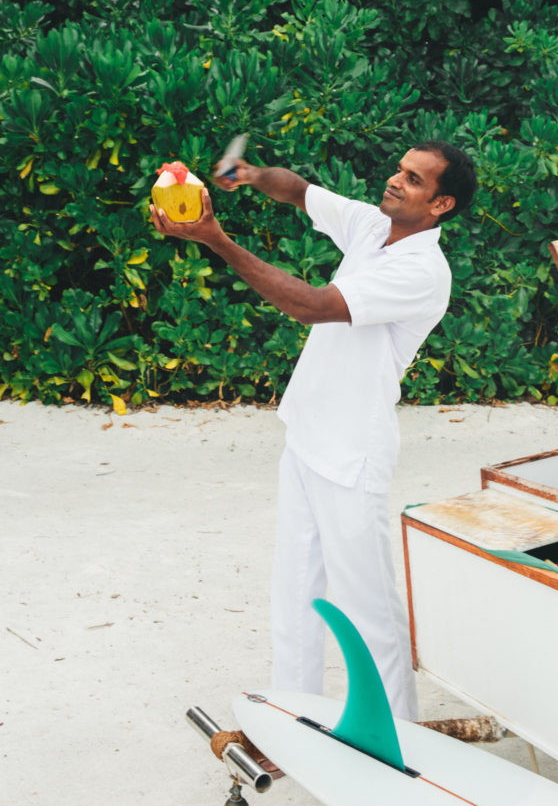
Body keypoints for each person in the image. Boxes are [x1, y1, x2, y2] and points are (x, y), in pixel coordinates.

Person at [150, 141, 477, 720]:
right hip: (306, 434)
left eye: (415, 180)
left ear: (442, 204)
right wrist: (249, 174)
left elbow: (313, 305)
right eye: (399, 169)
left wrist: (215, 239)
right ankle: (290, 720)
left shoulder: (421, 270)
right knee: (296, 596)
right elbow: (298, 190)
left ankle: (394, 741)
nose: (396, 181)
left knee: (365, 608)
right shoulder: (374, 227)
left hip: (353, 453)